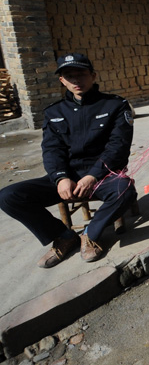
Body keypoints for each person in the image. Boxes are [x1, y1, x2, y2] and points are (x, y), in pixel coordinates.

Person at [0, 53, 136, 268]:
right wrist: (60, 178)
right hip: (68, 176)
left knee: (125, 189)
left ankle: (90, 234)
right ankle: (64, 236)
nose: (76, 81)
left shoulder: (114, 105)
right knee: (9, 196)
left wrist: (93, 175)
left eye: (81, 74)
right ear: (62, 80)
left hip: (103, 175)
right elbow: (52, 150)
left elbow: (118, 147)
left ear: (93, 75)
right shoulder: (54, 112)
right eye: (69, 76)